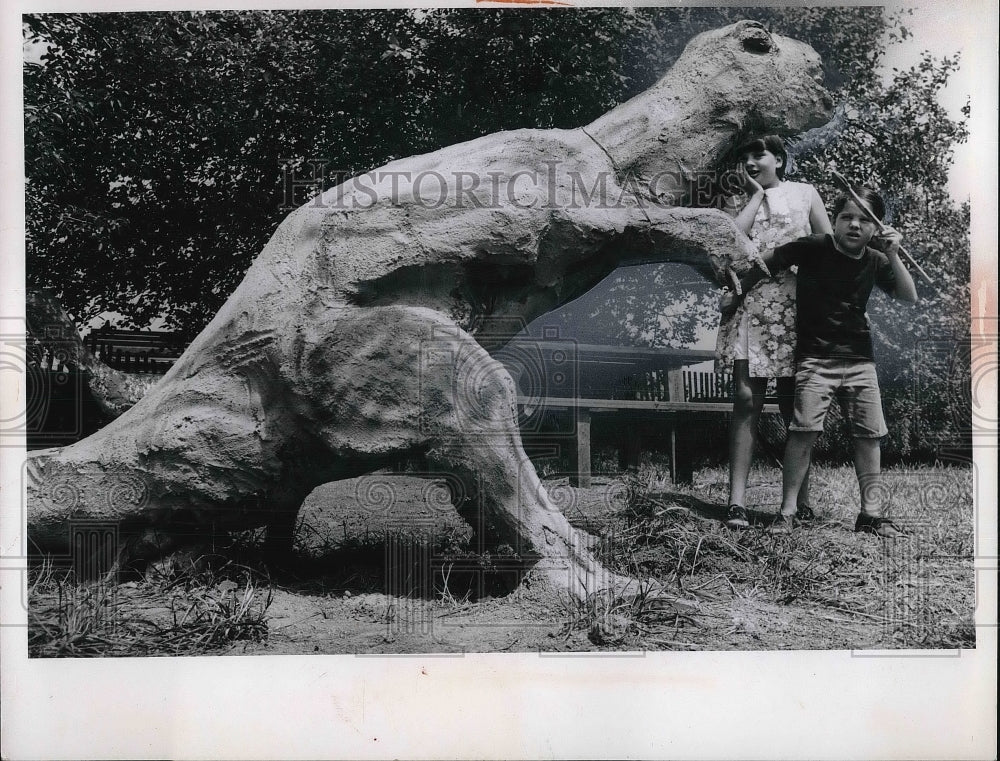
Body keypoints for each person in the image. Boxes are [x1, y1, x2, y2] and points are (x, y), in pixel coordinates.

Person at [722, 188, 918, 536]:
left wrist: (895, 253)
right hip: (814, 360)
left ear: (877, 228)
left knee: (869, 435)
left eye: (864, 220)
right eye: (846, 217)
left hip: (861, 361)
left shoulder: (876, 259)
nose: (854, 225)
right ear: (835, 221)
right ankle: (788, 512)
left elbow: (908, 296)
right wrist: (736, 293)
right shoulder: (814, 247)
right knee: (803, 432)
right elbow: (766, 261)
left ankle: (870, 514)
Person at [715, 136, 833, 530]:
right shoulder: (735, 200)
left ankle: (801, 500)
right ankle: (736, 504)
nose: (750, 162)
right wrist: (754, 196)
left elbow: (828, 248)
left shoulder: (805, 193)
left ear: (779, 159)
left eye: (758, 154)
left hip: (795, 309)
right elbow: (728, 247)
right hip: (749, 303)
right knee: (747, 399)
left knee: (793, 405)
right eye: (743, 157)